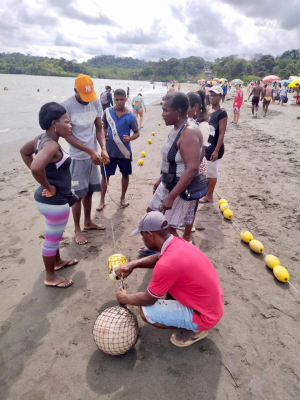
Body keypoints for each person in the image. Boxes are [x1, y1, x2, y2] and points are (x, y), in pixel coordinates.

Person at [115, 211, 224, 347]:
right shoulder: (177, 242)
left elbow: (148, 299)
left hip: (205, 316)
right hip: (212, 304)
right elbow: (160, 257)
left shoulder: (167, 264)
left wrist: (124, 298)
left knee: (146, 312)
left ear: (150, 235)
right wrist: (133, 264)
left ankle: (195, 330)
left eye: (143, 237)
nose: (143, 240)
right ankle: (183, 314)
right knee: (170, 284)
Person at [20, 103, 79, 288]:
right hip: (54, 201)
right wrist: (48, 185)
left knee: (55, 234)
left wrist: (46, 177)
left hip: (47, 200)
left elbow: (24, 151)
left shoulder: (41, 139)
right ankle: (50, 276)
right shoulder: (51, 145)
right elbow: (37, 167)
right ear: (54, 123)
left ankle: (58, 261)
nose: (70, 125)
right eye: (67, 122)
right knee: (51, 240)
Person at [138, 92, 202, 256]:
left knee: (168, 228)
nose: (162, 114)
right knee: (151, 214)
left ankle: (181, 258)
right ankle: (159, 249)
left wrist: (172, 196)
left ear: (178, 111)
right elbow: (173, 159)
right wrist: (161, 179)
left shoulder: (189, 133)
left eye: (166, 111)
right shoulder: (176, 128)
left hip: (180, 188)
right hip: (167, 182)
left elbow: (192, 168)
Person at [61, 74, 109, 245]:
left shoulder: (95, 101)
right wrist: (89, 151)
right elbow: (66, 135)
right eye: (84, 96)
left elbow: (98, 127)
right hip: (77, 157)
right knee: (77, 195)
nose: (88, 100)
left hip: (93, 156)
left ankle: (88, 222)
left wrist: (102, 148)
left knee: (89, 191)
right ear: (75, 91)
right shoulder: (66, 106)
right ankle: (77, 229)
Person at [98, 89, 140, 210]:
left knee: (125, 175)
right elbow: (103, 126)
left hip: (124, 152)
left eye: (122, 99)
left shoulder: (131, 116)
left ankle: (122, 197)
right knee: (105, 176)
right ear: (114, 99)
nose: (119, 102)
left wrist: (130, 138)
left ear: (126, 99)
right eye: (117, 100)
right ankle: (102, 200)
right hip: (108, 152)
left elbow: (137, 133)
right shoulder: (107, 112)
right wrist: (105, 135)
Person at [182, 90, 209, 242]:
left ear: (196, 107)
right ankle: (186, 224)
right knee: (187, 199)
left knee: (192, 200)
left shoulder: (202, 125)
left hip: (196, 166)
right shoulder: (190, 122)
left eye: (187, 107)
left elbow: (202, 151)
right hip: (190, 165)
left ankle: (188, 230)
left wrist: (193, 171)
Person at [199, 86, 227, 203]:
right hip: (207, 146)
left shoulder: (222, 113)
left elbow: (221, 133)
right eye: (211, 95)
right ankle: (206, 193)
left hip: (215, 147)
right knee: (205, 171)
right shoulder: (209, 111)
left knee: (211, 172)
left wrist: (216, 150)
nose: (212, 97)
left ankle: (209, 196)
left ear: (220, 97)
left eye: (215, 95)